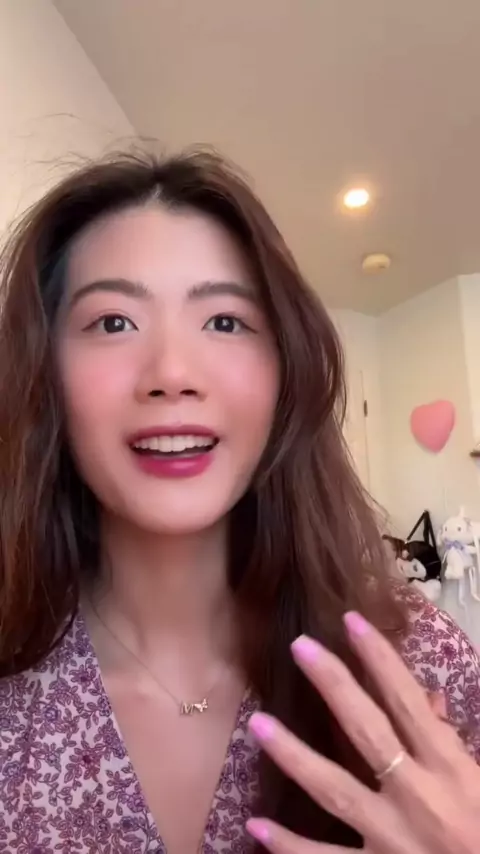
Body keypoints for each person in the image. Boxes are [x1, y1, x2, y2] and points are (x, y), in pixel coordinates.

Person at [0, 149, 479, 854]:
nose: (172, 373)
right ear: (44, 373)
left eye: (225, 321)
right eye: (113, 322)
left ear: (286, 373)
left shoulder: (422, 662)